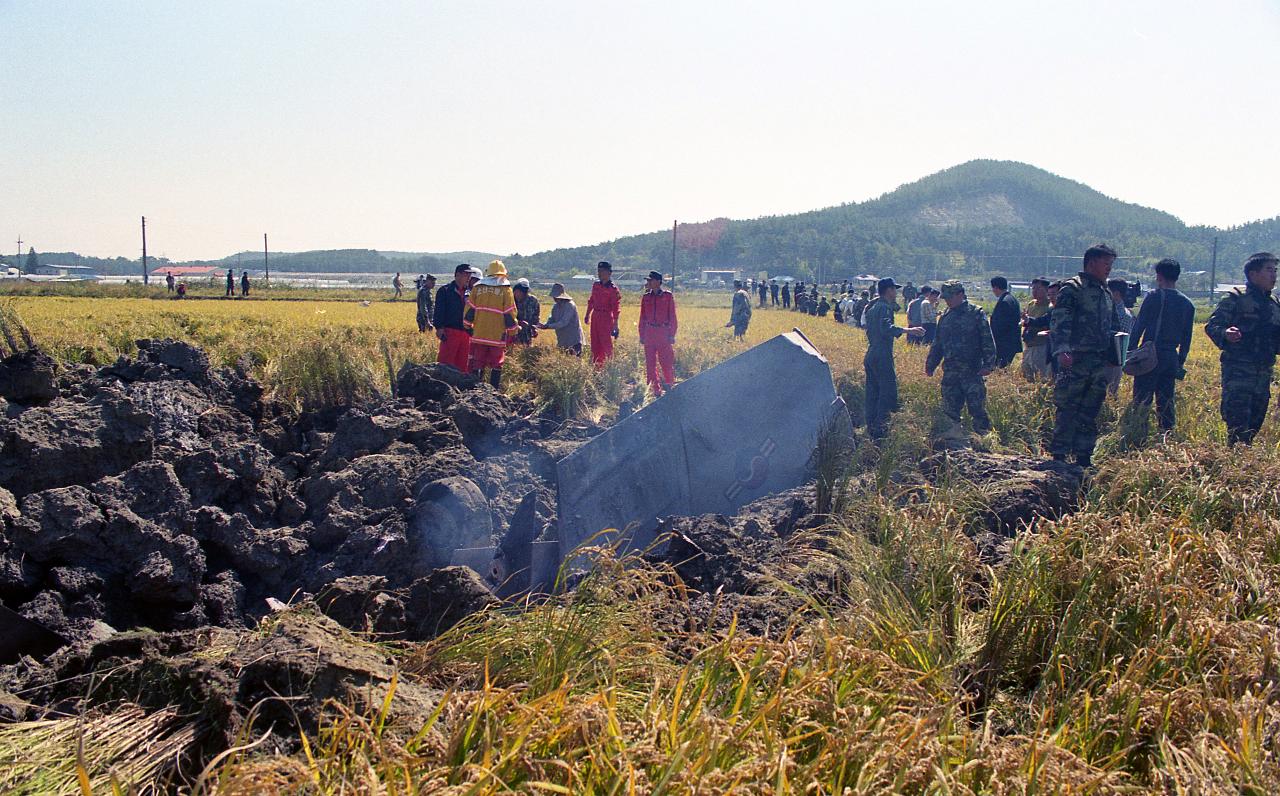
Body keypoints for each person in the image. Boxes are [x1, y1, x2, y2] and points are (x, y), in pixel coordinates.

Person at [1049, 244, 1119, 468]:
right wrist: (1062, 349)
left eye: (1111, 264)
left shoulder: (1104, 291)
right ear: (1091, 263)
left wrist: (1114, 352)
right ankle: (1059, 455)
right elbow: (1059, 321)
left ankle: (1083, 457)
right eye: (1105, 263)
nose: (1109, 268)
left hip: (1097, 361)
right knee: (1068, 406)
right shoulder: (1073, 288)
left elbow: (1111, 324)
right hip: (1075, 359)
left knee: (1090, 409)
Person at [1204, 252, 1280, 445]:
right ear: (1253, 274)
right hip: (1239, 373)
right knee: (1237, 428)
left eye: (1275, 270)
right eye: (1269, 270)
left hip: (1263, 375)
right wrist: (1226, 334)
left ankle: (1242, 465)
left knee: (1255, 424)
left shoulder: (1274, 305)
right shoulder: (1235, 299)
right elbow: (1212, 326)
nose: (1274, 275)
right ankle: (1232, 468)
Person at [1128, 259, 1196, 434]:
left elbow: (1138, 326)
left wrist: (1130, 351)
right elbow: (1187, 336)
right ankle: (1166, 435)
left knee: (1142, 399)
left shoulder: (1153, 297)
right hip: (1171, 356)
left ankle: (1138, 434)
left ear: (1159, 276)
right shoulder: (1187, 303)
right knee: (1166, 400)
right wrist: (1180, 360)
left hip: (1150, 354)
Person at [925, 280, 997, 435]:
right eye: (945, 298)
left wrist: (988, 364)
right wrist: (931, 364)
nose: (948, 301)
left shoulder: (976, 313)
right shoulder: (946, 317)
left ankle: (984, 441)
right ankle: (955, 443)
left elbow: (987, 340)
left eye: (950, 297)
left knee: (977, 409)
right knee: (950, 410)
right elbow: (938, 343)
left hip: (972, 371)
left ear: (960, 295)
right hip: (951, 371)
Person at [864, 277, 925, 439]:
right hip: (882, 354)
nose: (896, 293)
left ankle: (870, 426)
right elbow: (886, 328)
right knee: (887, 391)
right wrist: (908, 330)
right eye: (894, 289)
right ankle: (882, 428)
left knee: (873, 392)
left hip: (871, 353)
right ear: (888, 290)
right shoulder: (884, 307)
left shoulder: (872, 307)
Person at [464, 260, 518, 388]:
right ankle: (493, 392)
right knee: (497, 363)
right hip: (497, 335)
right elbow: (509, 313)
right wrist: (513, 331)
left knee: (478, 362)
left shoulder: (478, 287)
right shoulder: (506, 289)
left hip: (479, 333)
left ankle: (476, 389)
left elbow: (469, 309)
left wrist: (467, 326)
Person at [639, 270, 678, 396]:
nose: (648, 283)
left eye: (650, 280)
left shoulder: (667, 296)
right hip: (650, 332)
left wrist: (672, 334)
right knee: (650, 364)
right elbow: (642, 317)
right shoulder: (646, 297)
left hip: (663, 332)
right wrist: (641, 334)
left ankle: (670, 387)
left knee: (666, 362)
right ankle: (655, 391)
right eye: (648, 281)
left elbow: (672, 316)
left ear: (658, 282)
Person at [435, 264, 475, 372]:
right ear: (457, 275)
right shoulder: (445, 291)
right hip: (450, 332)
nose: (468, 278)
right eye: (466, 274)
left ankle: (459, 388)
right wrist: (439, 328)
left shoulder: (471, 293)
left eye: (469, 275)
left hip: (466, 333)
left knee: (463, 366)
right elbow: (439, 311)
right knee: (445, 364)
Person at [584, 261, 621, 367]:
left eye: (602, 271)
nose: (599, 274)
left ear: (609, 273)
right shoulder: (596, 285)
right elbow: (591, 301)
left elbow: (616, 308)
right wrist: (587, 314)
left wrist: (615, 324)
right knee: (595, 344)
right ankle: (597, 368)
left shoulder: (613, 289)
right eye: (598, 271)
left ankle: (609, 367)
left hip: (606, 317)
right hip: (595, 315)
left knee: (606, 344)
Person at [1104, 278, 1135, 396]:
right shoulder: (1128, 313)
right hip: (1118, 359)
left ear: (1116, 293)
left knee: (1106, 393)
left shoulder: (1116, 313)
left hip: (1110, 359)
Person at [1020, 277, 1054, 379]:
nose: (1035, 291)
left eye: (1038, 289)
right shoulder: (1031, 304)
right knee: (1026, 374)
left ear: (1046, 290)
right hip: (1029, 345)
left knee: (1041, 376)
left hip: (1041, 346)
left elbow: (1044, 324)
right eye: (1033, 288)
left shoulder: (1050, 307)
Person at [541, 283, 583, 355]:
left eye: (556, 297)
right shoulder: (555, 307)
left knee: (574, 360)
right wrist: (544, 324)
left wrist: (548, 326)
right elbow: (552, 319)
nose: (555, 299)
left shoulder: (570, 305)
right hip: (562, 340)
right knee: (563, 360)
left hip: (573, 340)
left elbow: (564, 322)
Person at [989, 276, 1022, 367]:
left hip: (1004, 343)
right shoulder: (1012, 299)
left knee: (1000, 368)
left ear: (995, 287)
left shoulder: (1004, 302)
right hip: (1011, 342)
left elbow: (1000, 325)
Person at [512, 278, 540, 345]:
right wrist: (519, 322)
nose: (519, 294)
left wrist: (534, 328)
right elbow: (506, 317)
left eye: (522, 291)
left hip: (527, 334)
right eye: (517, 291)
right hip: (513, 333)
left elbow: (536, 317)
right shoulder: (511, 301)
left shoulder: (533, 301)